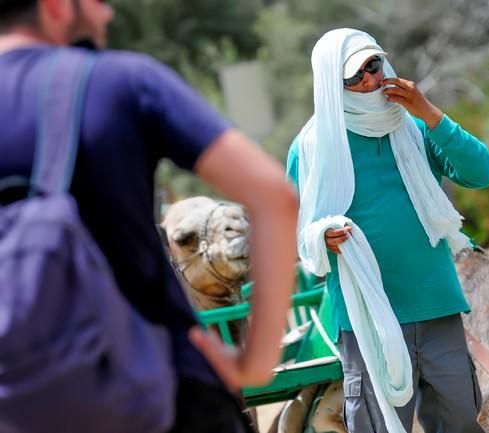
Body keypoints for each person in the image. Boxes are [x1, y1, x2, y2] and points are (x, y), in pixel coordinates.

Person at [0, 1, 298, 432]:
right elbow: (274, 197)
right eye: (98, 3)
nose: (108, 15)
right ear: (58, 6)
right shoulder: (120, 81)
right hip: (169, 396)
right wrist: (257, 361)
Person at [286, 28, 489, 433]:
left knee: (461, 423)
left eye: (373, 65)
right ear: (332, 83)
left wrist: (430, 113)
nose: (370, 79)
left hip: (436, 306)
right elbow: (295, 231)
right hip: (366, 321)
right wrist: (320, 238)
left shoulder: (414, 128)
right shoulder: (310, 147)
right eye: (355, 75)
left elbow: (481, 172)